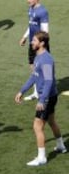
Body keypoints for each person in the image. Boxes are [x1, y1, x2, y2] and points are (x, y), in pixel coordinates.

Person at [15, 31, 66, 167]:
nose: (32, 42)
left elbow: (49, 81)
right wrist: (22, 91)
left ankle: (42, 157)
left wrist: (42, 100)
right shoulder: (38, 57)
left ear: (42, 43)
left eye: (34, 40)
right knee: (51, 121)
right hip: (48, 96)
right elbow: (34, 76)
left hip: (47, 96)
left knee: (37, 126)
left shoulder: (47, 59)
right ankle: (61, 146)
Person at [19, 0, 49, 101]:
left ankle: (47, 94)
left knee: (45, 69)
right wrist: (25, 37)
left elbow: (45, 31)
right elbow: (31, 25)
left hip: (40, 45)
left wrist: (41, 45)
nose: (28, 1)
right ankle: (36, 92)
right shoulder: (30, 9)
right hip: (32, 44)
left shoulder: (43, 11)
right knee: (33, 67)